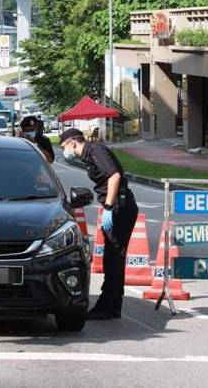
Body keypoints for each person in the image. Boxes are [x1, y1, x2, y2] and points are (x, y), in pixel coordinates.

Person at [60, 128, 138, 320]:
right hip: (117, 205)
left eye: (64, 147)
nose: (64, 152)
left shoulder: (95, 152)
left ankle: (108, 305)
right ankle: (112, 305)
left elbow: (114, 176)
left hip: (119, 206)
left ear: (73, 143)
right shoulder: (90, 155)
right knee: (114, 257)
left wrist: (109, 207)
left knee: (113, 258)